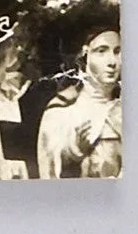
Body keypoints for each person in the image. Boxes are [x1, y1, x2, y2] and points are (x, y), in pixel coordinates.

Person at [36, 28, 121, 178]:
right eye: (101, 51)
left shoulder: (128, 108)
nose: (112, 62)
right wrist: (75, 150)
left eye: (117, 52)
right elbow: (49, 170)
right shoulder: (62, 110)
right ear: (83, 57)